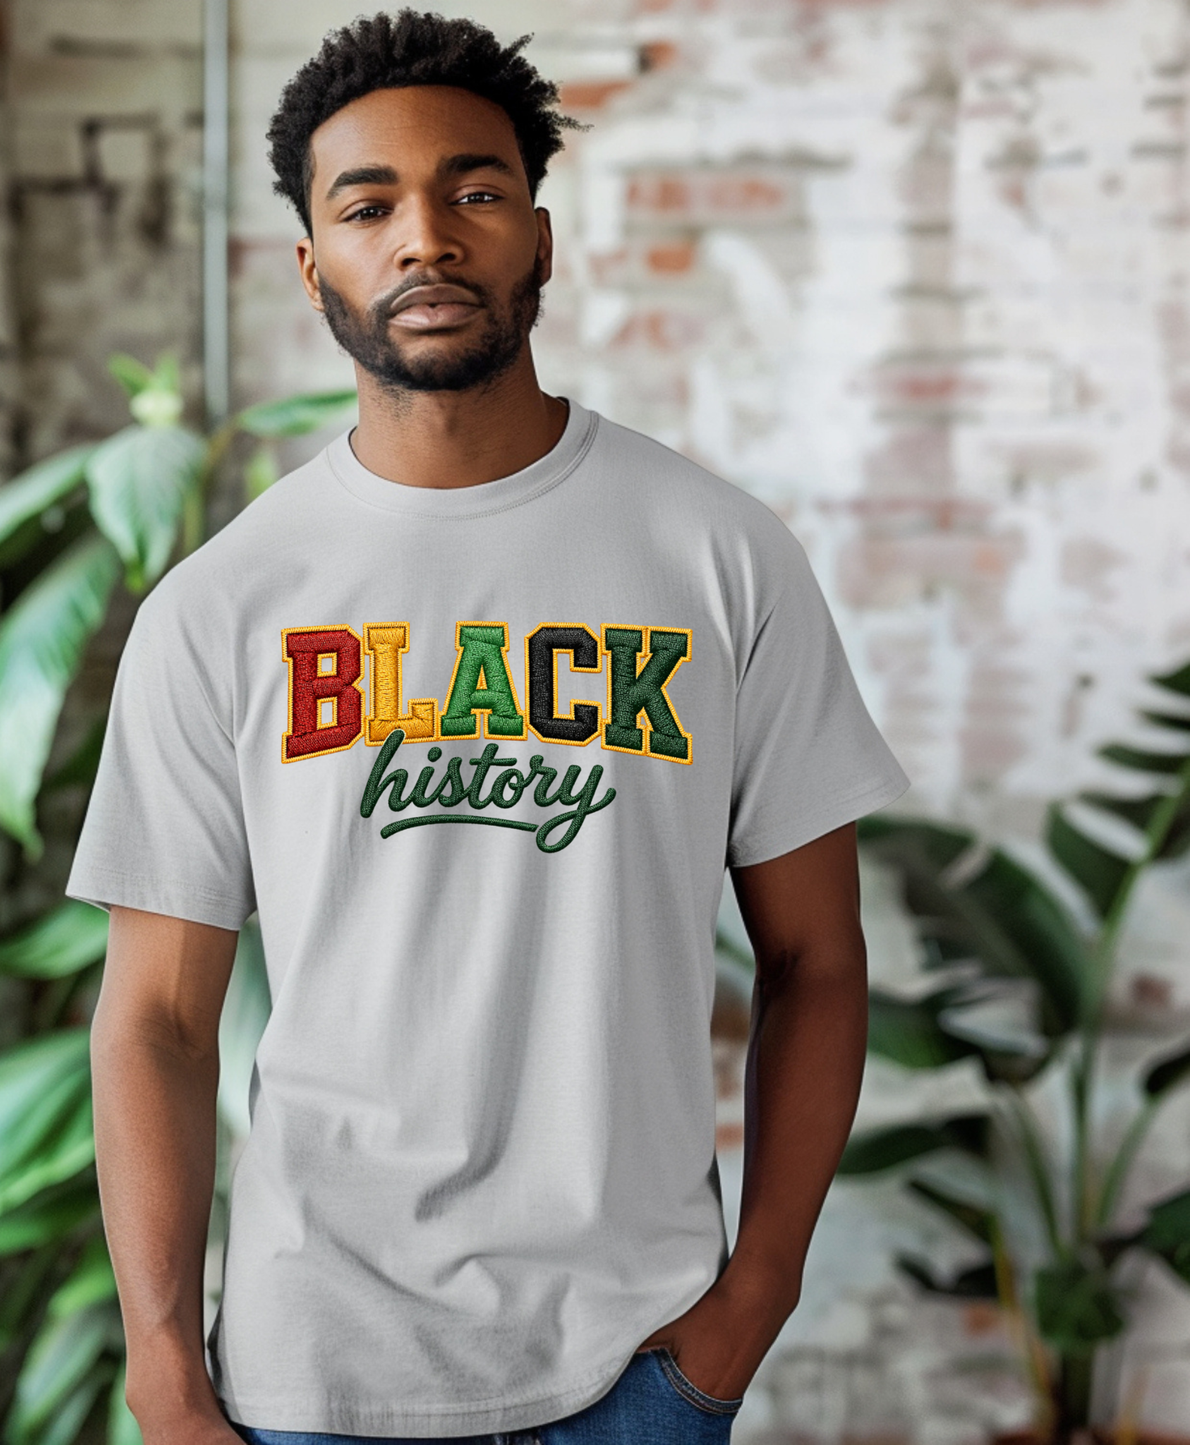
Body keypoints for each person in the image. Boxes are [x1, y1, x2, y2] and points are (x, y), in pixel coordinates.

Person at [64, 10, 911, 1444]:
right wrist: (164, 1364)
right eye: (369, 203)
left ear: (540, 239)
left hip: (637, 1365)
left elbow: (816, 960)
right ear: (313, 263)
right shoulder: (224, 605)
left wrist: (751, 1298)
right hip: (306, 1372)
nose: (427, 239)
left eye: (477, 189)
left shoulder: (715, 555)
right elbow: (154, 1017)